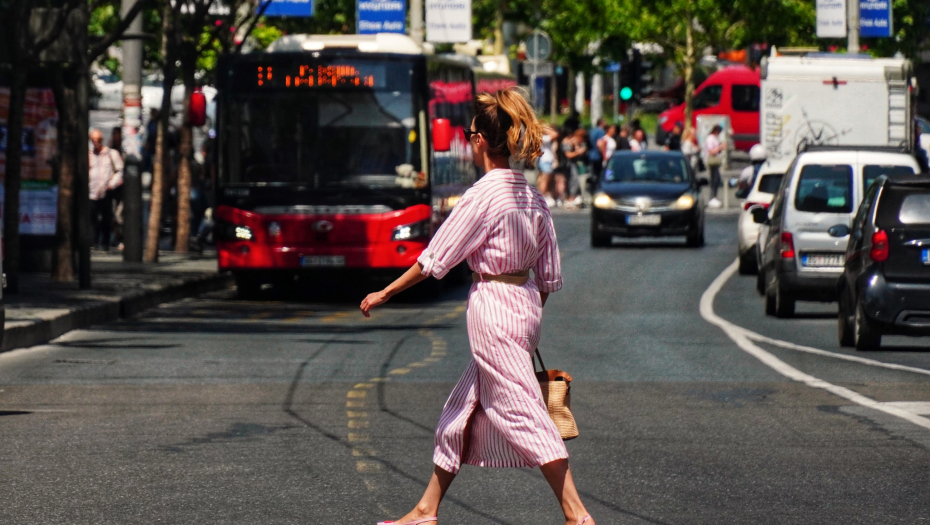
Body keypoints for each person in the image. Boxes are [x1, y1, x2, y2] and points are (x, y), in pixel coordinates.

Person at [360, 87, 595, 525]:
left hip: (492, 309)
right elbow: (548, 277)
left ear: (481, 141)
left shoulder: (484, 195)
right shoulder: (532, 198)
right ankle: (426, 510)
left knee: (524, 410)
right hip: (524, 309)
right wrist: (526, 314)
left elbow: (435, 258)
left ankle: (576, 514)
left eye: (470, 134)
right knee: (459, 412)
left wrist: (385, 292)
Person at [88, 128, 124, 250]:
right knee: (92, 217)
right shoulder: (89, 154)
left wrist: (112, 184)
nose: (95, 142)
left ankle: (105, 242)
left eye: (97, 140)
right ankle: (93, 241)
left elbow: (120, 170)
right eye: (93, 140)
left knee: (106, 217)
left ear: (102, 140)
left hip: (106, 191)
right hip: (92, 191)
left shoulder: (111, 154)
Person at [108, 127, 125, 249]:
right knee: (114, 214)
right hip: (113, 187)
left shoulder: (124, 150)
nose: (115, 137)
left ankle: (121, 237)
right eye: (114, 134)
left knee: (120, 213)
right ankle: (117, 235)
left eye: (117, 134)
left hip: (123, 187)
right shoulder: (111, 150)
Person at [703, 124, 726, 208]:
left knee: (717, 179)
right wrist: (720, 147)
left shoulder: (714, 138)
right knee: (714, 179)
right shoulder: (710, 138)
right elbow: (711, 151)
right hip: (711, 161)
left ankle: (714, 197)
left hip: (715, 161)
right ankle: (712, 197)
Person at [537, 127, 559, 207]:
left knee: (547, 180)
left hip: (548, 161)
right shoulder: (542, 138)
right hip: (545, 161)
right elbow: (555, 134)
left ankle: (543, 195)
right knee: (544, 180)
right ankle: (541, 197)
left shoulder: (544, 138)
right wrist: (544, 128)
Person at [587, 118, 606, 183]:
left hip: (591, 154)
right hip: (598, 155)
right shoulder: (601, 131)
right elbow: (600, 144)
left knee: (593, 172)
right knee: (599, 173)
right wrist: (603, 154)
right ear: (601, 123)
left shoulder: (592, 131)